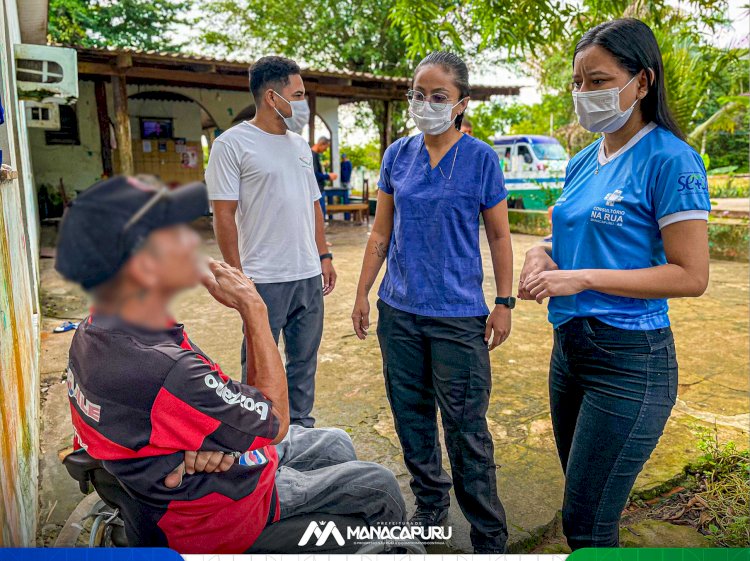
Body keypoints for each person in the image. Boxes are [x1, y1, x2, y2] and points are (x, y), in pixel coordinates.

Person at [55, 176, 406, 553]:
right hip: (215, 513)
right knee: (380, 485)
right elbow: (273, 419)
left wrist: (189, 449)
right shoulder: (164, 368)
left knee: (336, 443)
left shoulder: (94, 331)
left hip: (185, 483)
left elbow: (174, 413)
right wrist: (254, 309)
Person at [517, 18, 711, 550]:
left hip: (630, 360)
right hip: (571, 352)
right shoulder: (582, 161)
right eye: (578, 83)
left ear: (642, 82)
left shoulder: (671, 160)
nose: (585, 94)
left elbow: (691, 275)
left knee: (587, 524)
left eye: (598, 81)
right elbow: (568, 242)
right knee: (583, 507)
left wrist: (579, 278)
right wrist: (539, 253)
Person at [352, 51, 513, 553]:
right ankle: (430, 503)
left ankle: (489, 533)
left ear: (461, 103)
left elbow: (501, 238)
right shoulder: (397, 155)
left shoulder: (482, 159)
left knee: (466, 429)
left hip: (458, 317)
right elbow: (381, 231)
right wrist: (362, 291)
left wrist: (504, 301)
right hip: (399, 312)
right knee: (411, 414)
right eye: (418, 94)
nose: (425, 104)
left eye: (438, 96)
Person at [206, 56, 336, 428]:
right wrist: (238, 276)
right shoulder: (231, 145)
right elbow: (224, 215)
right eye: (298, 95)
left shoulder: (300, 147)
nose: (303, 103)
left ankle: (300, 431)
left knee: (303, 362)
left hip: (307, 274)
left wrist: (324, 255)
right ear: (271, 97)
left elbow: (314, 204)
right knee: (261, 364)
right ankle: (259, 436)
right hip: (263, 278)